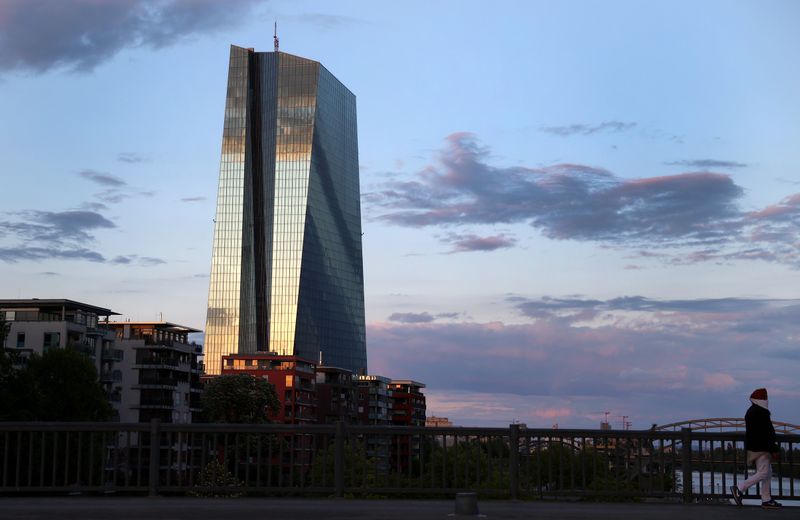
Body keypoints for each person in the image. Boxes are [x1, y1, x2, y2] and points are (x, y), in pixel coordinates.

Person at [730, 388, 782, 509]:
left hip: (756, 446)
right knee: (764, 472)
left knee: (767, 472)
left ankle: (766, 499)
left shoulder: (752, 411)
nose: (766, 398)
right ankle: (739, 488)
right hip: (762, 447)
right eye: (765, 396)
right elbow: (766, 433)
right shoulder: (761, 412)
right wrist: (773, 449)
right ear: (760, 399)